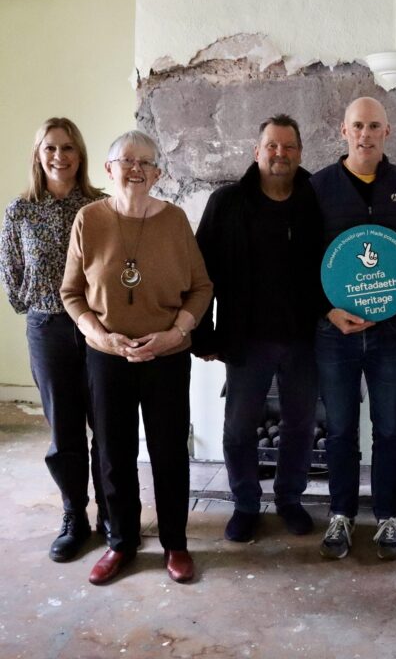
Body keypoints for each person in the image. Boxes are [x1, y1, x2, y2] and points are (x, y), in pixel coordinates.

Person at [61, 131, 212, 585]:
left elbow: (202, 287)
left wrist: (176, 333)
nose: (136, 168)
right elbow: (72, 294)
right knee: (113, 451)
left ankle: (176, 544)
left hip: (166, 355)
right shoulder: (89, 220)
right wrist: (100, 337)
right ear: (108, 169)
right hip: (107, 357)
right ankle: (120, 542)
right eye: (126, 160)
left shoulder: (175, 221)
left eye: (146, 162)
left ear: (158, 173)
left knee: (169, 452)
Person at [193, 114, 323, 542]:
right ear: (257, 151)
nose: (280, 154)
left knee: (301, 426)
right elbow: (201, 271)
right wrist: (203, 332)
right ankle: (246, 503)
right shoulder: (226, 202)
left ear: (300, 153)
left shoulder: (315, 200)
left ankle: (289, 499)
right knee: (237, 428)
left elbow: (335, 265)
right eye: (272, 145)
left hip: (305, 336)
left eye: (288, 147)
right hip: (246, 337)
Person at [311, 96, 396, 561]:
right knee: (339, 429)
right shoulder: (317, 187)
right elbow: (302, 261)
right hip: (333, 331)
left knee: (389, 429)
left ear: (388, 132)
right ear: (343, 130)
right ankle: (340, 515)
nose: (365, 134)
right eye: (357, 126)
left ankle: (387, 518)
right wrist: (325, 310)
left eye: (374, 126)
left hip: (389, 331)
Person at [0, 117, 107, 562]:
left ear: (79, 155)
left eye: (68, 148)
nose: (59, 156)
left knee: (107, 425)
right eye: (50, 148)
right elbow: (10, 274)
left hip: (102, 327)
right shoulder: (20, 211)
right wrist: (40, 304)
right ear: (38, 155)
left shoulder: (101, 205)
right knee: (64, 431)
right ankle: (74, 516)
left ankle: (114, 514)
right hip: (49, 328)